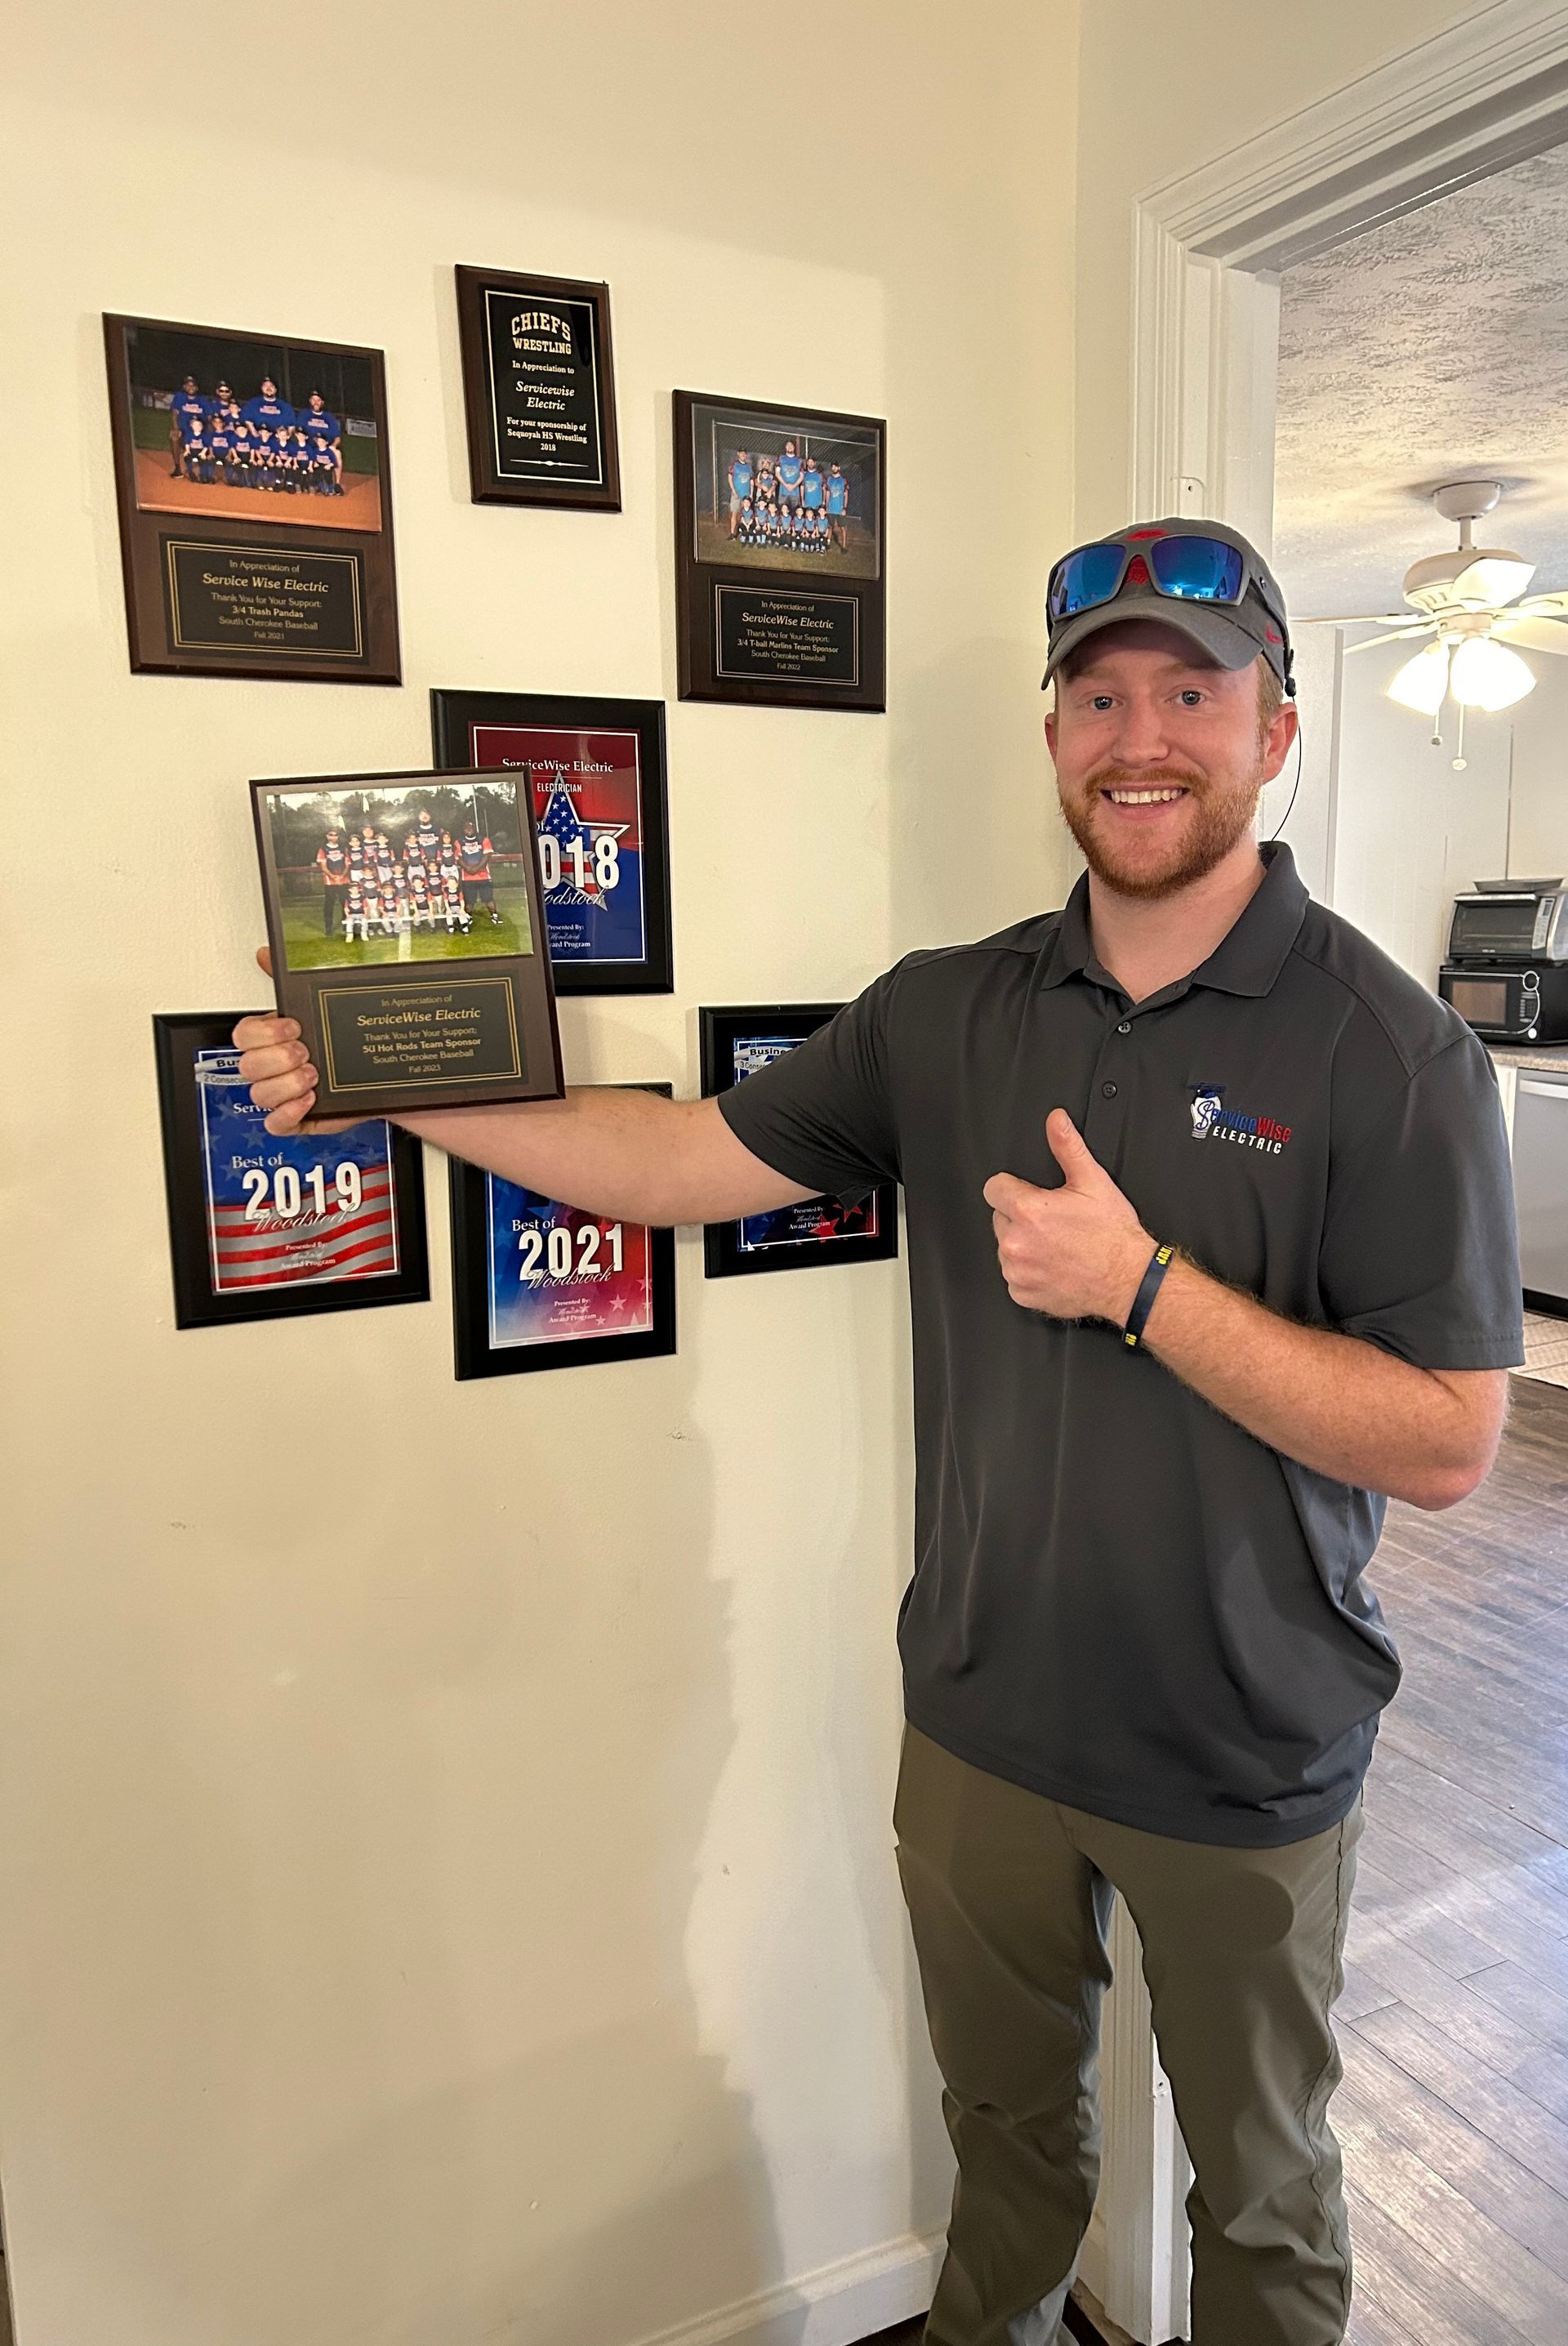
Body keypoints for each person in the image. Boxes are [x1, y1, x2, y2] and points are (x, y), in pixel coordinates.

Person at [229, 517, 1522, 2346]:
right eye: (1096, 694)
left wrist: (1145, 1284)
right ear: (1054, 729)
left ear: (1276, 730)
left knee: (1265, 2194)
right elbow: (682, 1158)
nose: (1138, 733)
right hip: (983, 1722)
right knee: (1002, 2140)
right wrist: (389, 1074)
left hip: (1247, 1748)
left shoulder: (1393, 1054)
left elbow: (1450, 1437)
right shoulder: (953, 1007)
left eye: (1189, 690)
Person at [314, 827, 349, 934]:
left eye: (335, 835)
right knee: (329, 904)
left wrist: (342, 876)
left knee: (345, 903)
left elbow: (347, 864)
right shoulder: (323, 849)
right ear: (327, 836)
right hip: (330, 881)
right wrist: (333, 876)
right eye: (331, 835)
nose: (333, 837)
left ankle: (346, 926)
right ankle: (328, 928)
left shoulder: (343, 849)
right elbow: (323, 866)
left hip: (343, 880)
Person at [727, 448, 752, 536]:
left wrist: (751, 494)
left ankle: (743, 532)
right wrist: (734, 491)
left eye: (744, 454)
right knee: (734, 513)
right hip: (736, 494)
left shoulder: (748, 467)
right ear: (738, 454)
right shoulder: (734, 465)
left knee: (744, 514)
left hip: (746, 495)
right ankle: (732, 533)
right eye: (741, 453)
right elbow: (730, 478)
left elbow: (751, 481)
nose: (743, 455)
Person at [825, 461, 849, 548]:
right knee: (830, 526)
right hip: (831, 508)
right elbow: (827, 493)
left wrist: (844, 508)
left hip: (840, 508)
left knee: (842, 528)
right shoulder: (829, 480)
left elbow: (846, 495)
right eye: (833, 466)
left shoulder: (843, 480)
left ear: (839, 468)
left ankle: (844, 547)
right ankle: (828, 543)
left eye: (836, 467)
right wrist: (827, 506)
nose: (834, 468)